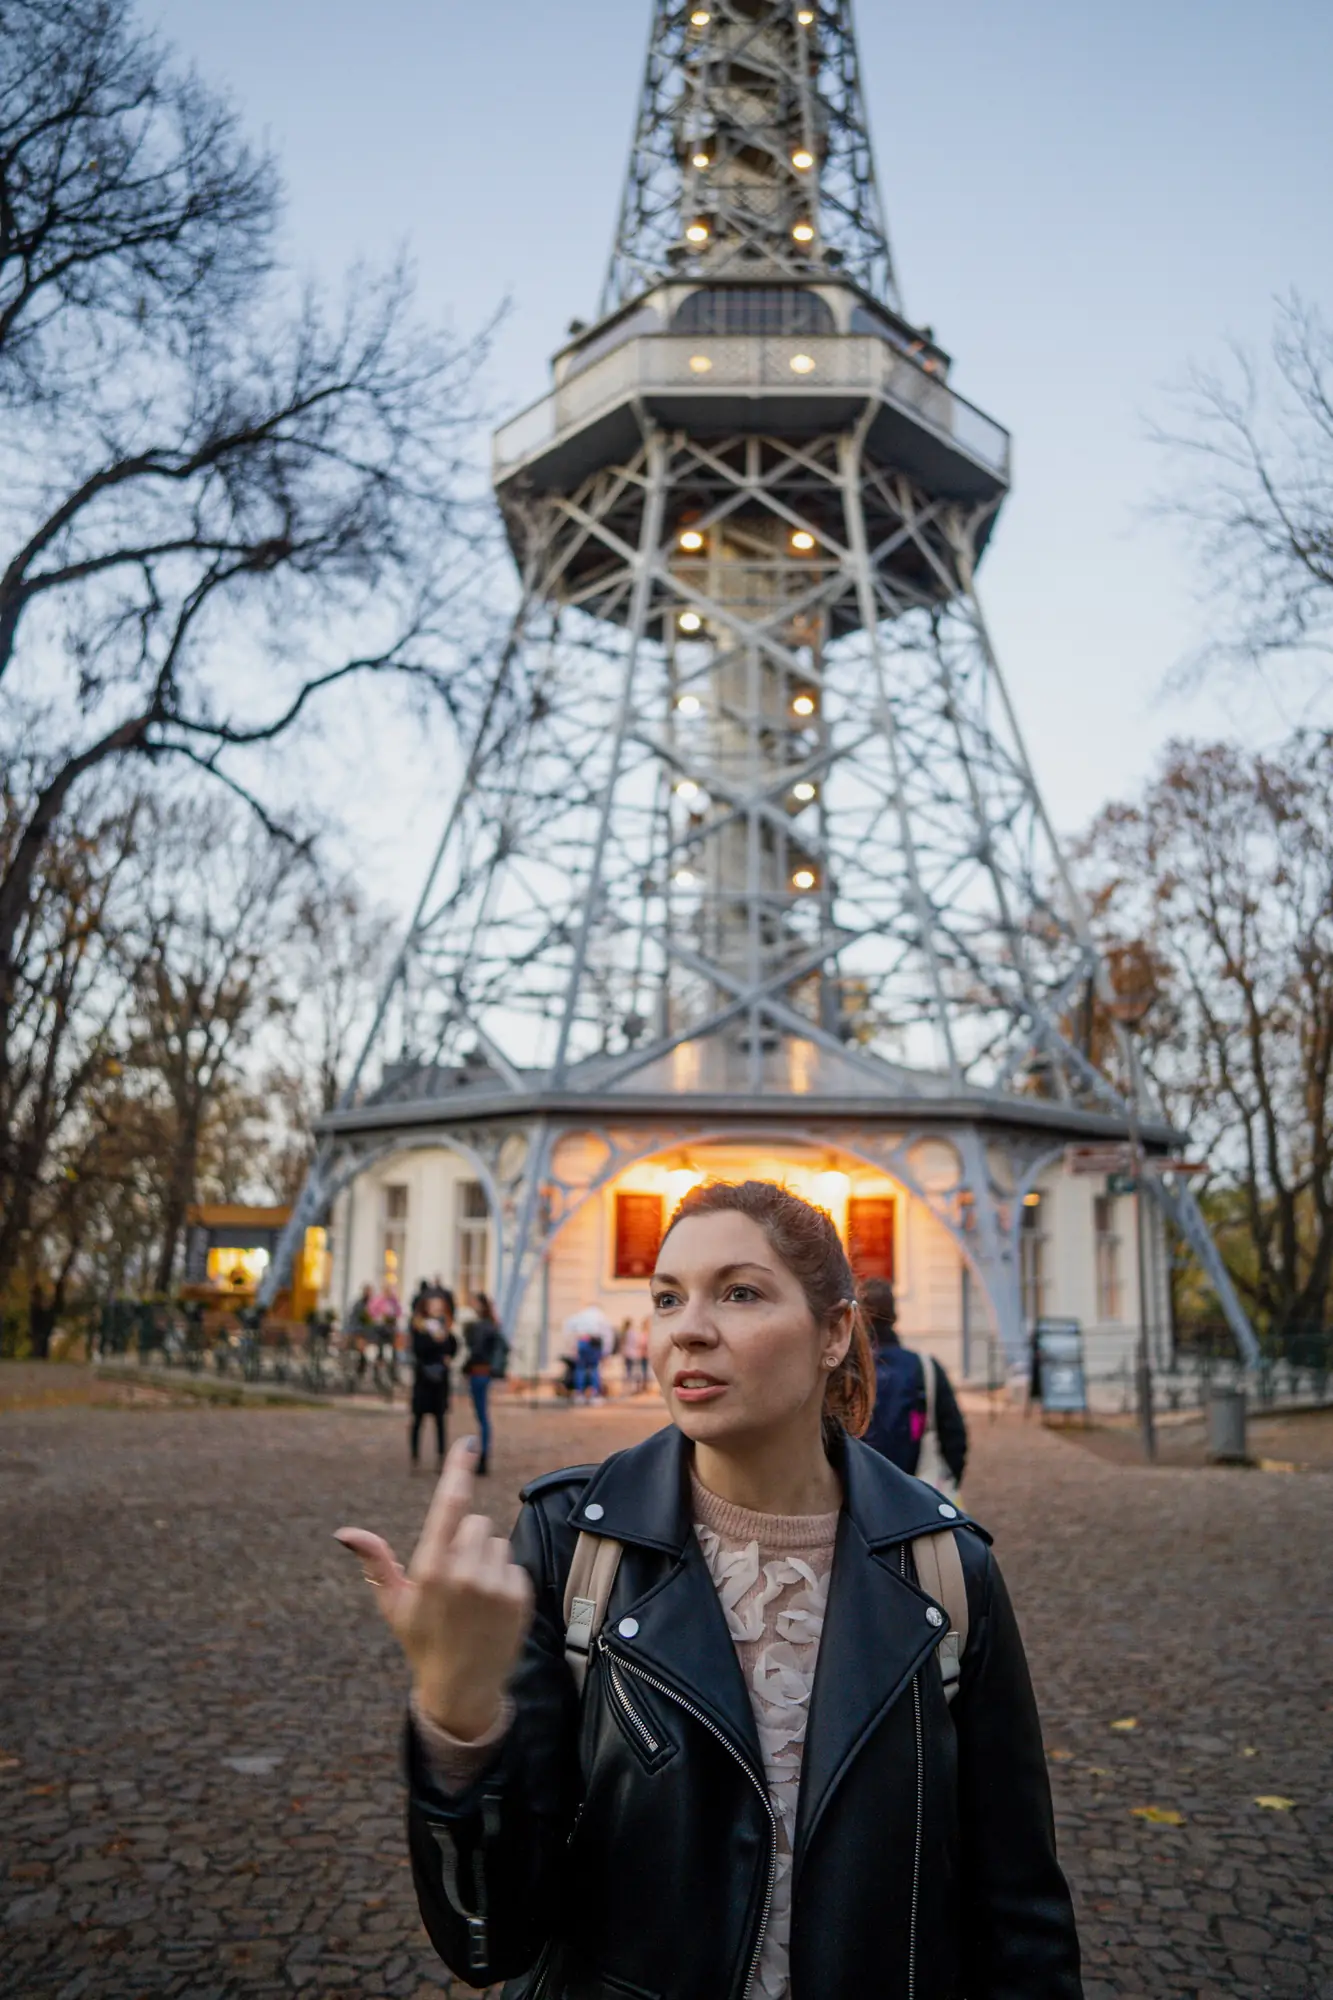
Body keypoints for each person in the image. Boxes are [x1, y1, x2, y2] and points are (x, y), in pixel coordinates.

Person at [337, 1180, 1081, 1999]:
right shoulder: (571, 1543)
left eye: (738, 1293)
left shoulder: (944, 1568)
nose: (687, 1329)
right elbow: (492, 1942)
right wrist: (457, 1718)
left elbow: (1018, 1911)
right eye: (665, 1297)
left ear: (834, 1331)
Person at [860, 1274, 968, 1496]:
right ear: (895, 1316)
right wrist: (950, 1479)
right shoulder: (925, 1366)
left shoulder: (845, 1370)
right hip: (917, 1489)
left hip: (860, 1491)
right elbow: (954, 1434)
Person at [459, 1291, 506, 1476]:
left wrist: (465, 1367)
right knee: (482, 1416)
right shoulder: (491, 1325)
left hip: (478, 1372)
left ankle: (484, 1455)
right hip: (484, 1373)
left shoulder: (481, 1327)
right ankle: (484, 1454)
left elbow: (476, 1351)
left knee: (482, 1417)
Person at [409, 1308, 458, 1473]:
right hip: (423, 1382)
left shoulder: (445, 1332)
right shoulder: (420, 1331)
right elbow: (419, 1349)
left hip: (439, 1384)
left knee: (439, 1422)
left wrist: (443, 1337)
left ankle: (440, 1456)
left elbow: (452, 1347)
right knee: (418, 1421)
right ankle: (415, 1457)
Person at [621, 1314, 651, 1393]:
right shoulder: (633, 1333)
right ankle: (635, 1388)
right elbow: (637, 1343)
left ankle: (633, 1387)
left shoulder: (626, 1333)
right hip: (636, 1354)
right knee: (636, 1371)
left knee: (631, 1371)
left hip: (632, 1354)